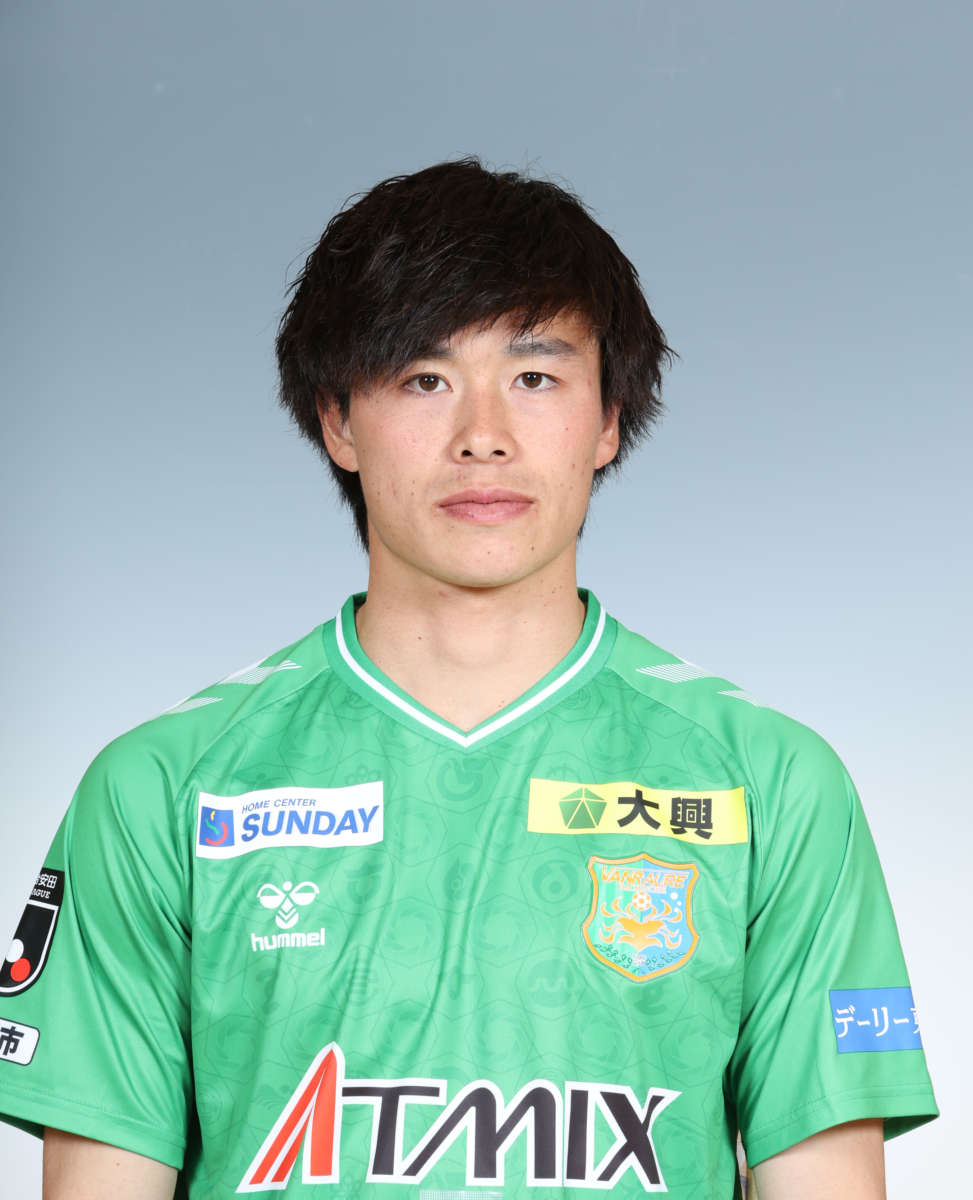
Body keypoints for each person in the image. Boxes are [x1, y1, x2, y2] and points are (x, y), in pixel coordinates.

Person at [0, 159, 936, 1200]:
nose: (481, 436)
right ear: (337, 421)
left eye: (534, 378)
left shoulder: (770, 782)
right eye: (424, 379)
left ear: (609, 419)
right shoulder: (163, 786)